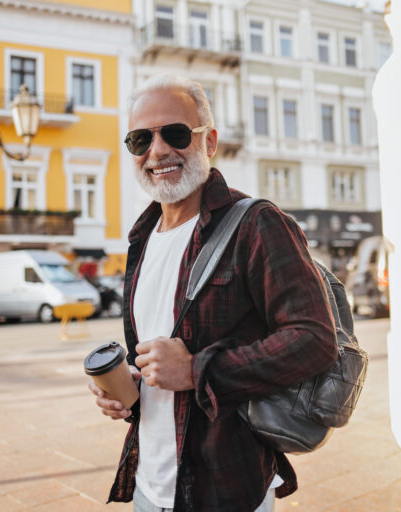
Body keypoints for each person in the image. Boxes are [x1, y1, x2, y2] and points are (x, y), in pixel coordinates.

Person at [88, 74, 337, 512]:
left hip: (227, 489)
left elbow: (314, 339)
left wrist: (198, 370)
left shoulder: (256, 223)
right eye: (140, 139)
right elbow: (162, 362)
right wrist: (131, 390)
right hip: (149, 484)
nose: (158, 150)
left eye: (176, 133)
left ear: (210, 141)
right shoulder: (141, 239)